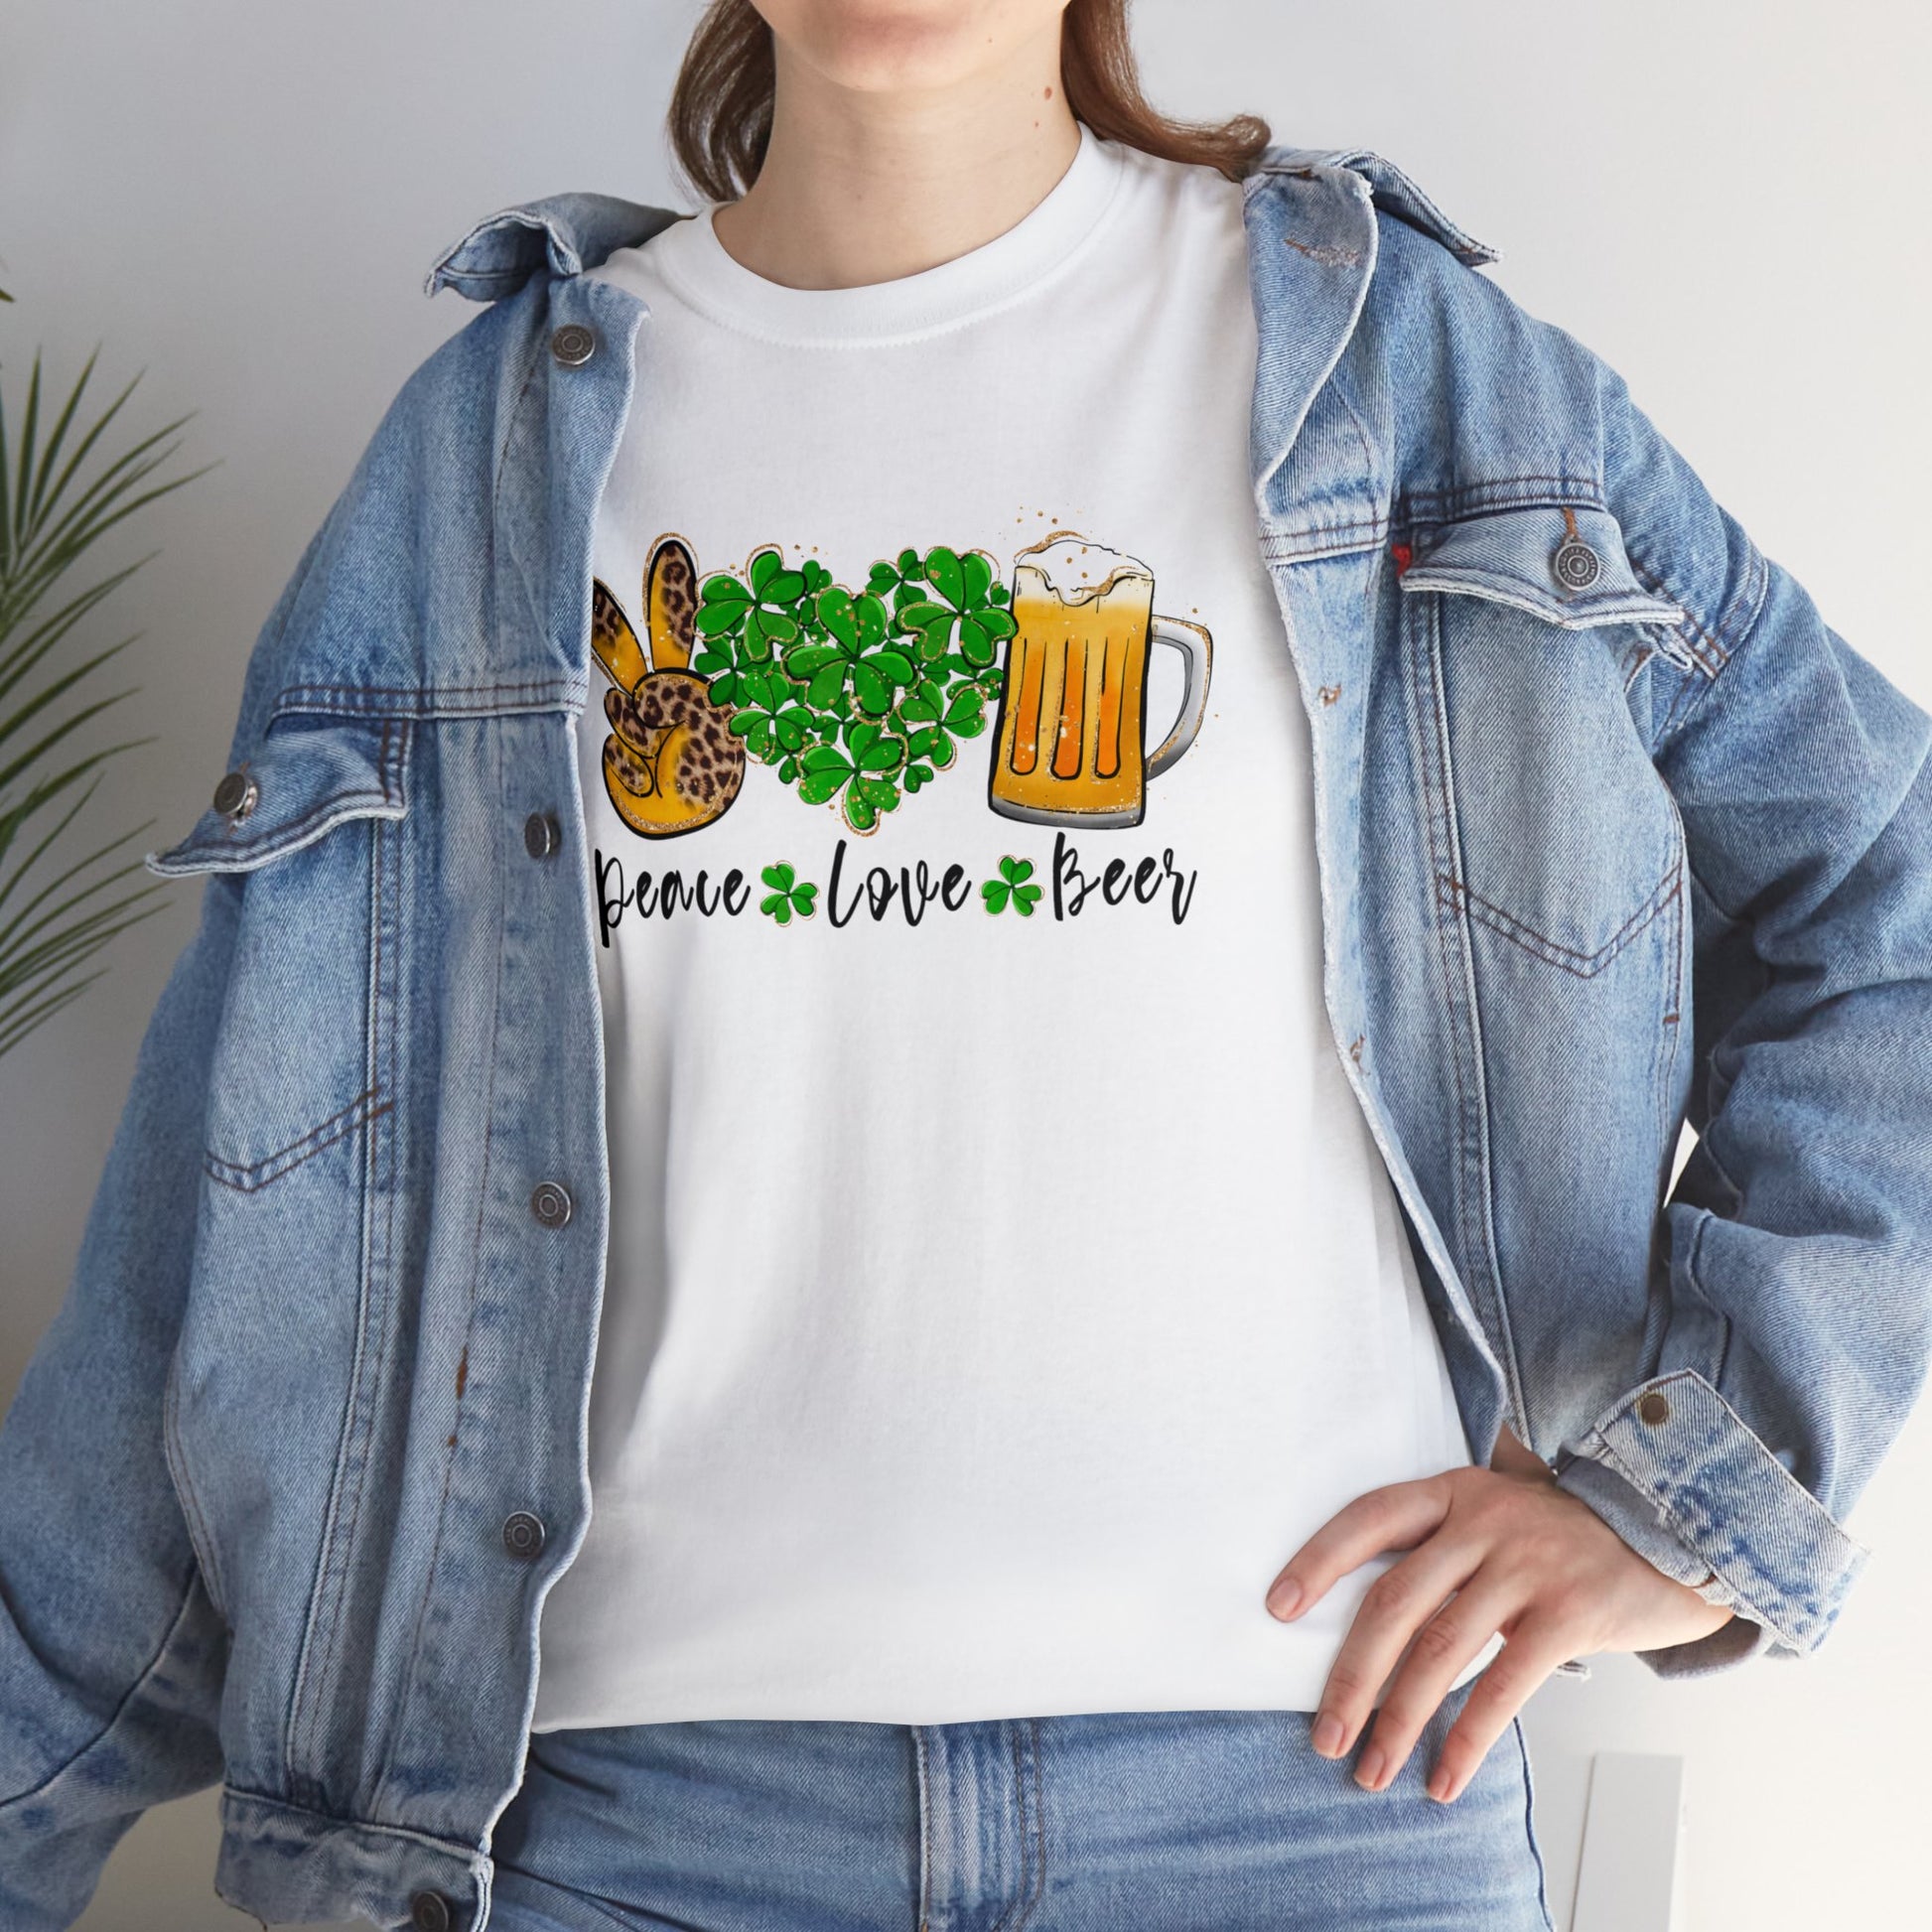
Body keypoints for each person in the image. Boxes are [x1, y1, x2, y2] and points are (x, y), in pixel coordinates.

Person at [3, 2, 1928, 1928]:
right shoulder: (479, 455)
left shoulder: (1409, 378)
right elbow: (227, 1241)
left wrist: (1699, 1501)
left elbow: (1883, 902)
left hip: (1314, 1797)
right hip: (625, 1829)